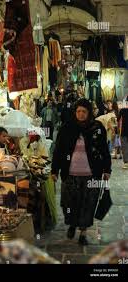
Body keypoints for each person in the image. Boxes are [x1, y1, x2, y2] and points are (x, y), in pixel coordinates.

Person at [51, 99, 112, 245]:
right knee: (69, 203)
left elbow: (104, 149)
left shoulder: (97, 128)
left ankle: (83, 232)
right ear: (75, 112)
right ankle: (72, 224)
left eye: (84, 111)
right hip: (70, 174)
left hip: (92, 174)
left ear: (89, 112)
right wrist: (55, 170)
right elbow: (58, 150)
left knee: (88, 204)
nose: (81, 114)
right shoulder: (67, 128)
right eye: (78, 111)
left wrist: (107, 169)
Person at [118, 96, 128, 169]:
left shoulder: (122, 110)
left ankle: (126, 162)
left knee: (124, 147)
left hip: (124, 131)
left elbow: (118, 119)